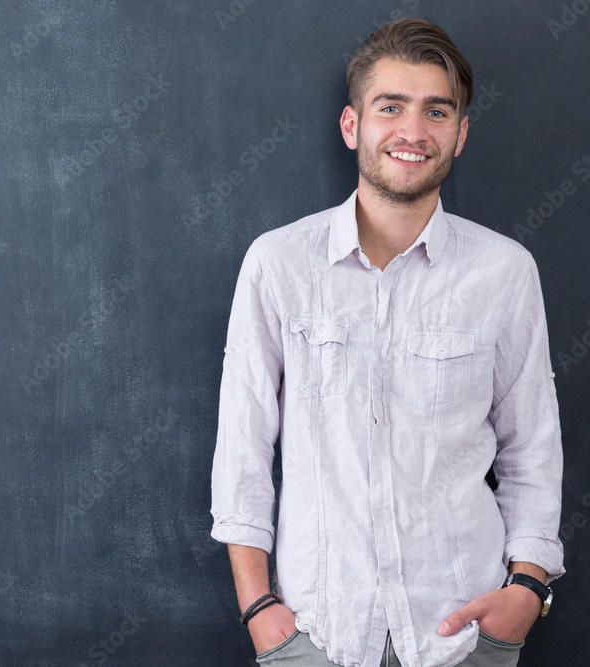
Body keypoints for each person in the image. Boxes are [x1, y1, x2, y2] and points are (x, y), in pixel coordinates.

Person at [209, 17, 564, 667]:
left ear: (459, 134)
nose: (412, 130)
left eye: (437, 110)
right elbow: (243, 449)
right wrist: (261, 612)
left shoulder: (505, 271)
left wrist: (525, 592)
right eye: (390, 106)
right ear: (353, 126)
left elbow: (532, 445)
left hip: (463, 630)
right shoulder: (277, 264)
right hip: (318, 632)